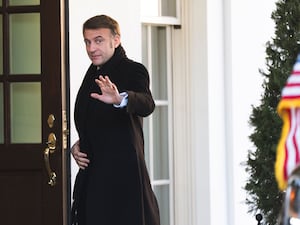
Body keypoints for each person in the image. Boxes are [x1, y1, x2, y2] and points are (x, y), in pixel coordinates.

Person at [70, 15, 160, 225]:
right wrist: (80, 143)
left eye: (98, 40)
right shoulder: (93, 72)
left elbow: (147, 103)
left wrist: (120, 99)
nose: (91, 48)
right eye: (87, 41)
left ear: (116, 40)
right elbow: (91, 118)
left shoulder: (133, 69)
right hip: (94, 178)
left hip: (123, 181)